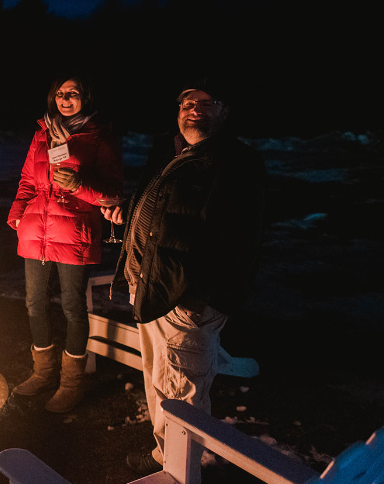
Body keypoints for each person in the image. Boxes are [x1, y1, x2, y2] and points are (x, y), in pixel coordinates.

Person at [107, 77, 265, 476]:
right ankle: (166, 455)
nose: (193, 109)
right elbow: (172, 215)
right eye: (186, 103)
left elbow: (240, 243)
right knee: (161, 382)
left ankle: (181, 471)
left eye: (205, 102)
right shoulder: (174, 152)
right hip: (152, 289)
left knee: (182, 394)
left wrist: (201, 299)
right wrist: (131, 211)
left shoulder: (235, 163)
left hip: (186, 300)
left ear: (224, 111)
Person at [7, 75, 123, 413]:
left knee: (73, 307)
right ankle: (43, 373)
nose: (65, 98)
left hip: (74, 234)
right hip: (35, 232)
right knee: (34, 304)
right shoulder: (42, 133)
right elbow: (29, 179)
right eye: (60, 93)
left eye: (72, 93)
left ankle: (72, 384)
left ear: (85, 97)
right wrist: (17, 213)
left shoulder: (98, 137)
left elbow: (112, 192)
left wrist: (78, 184)